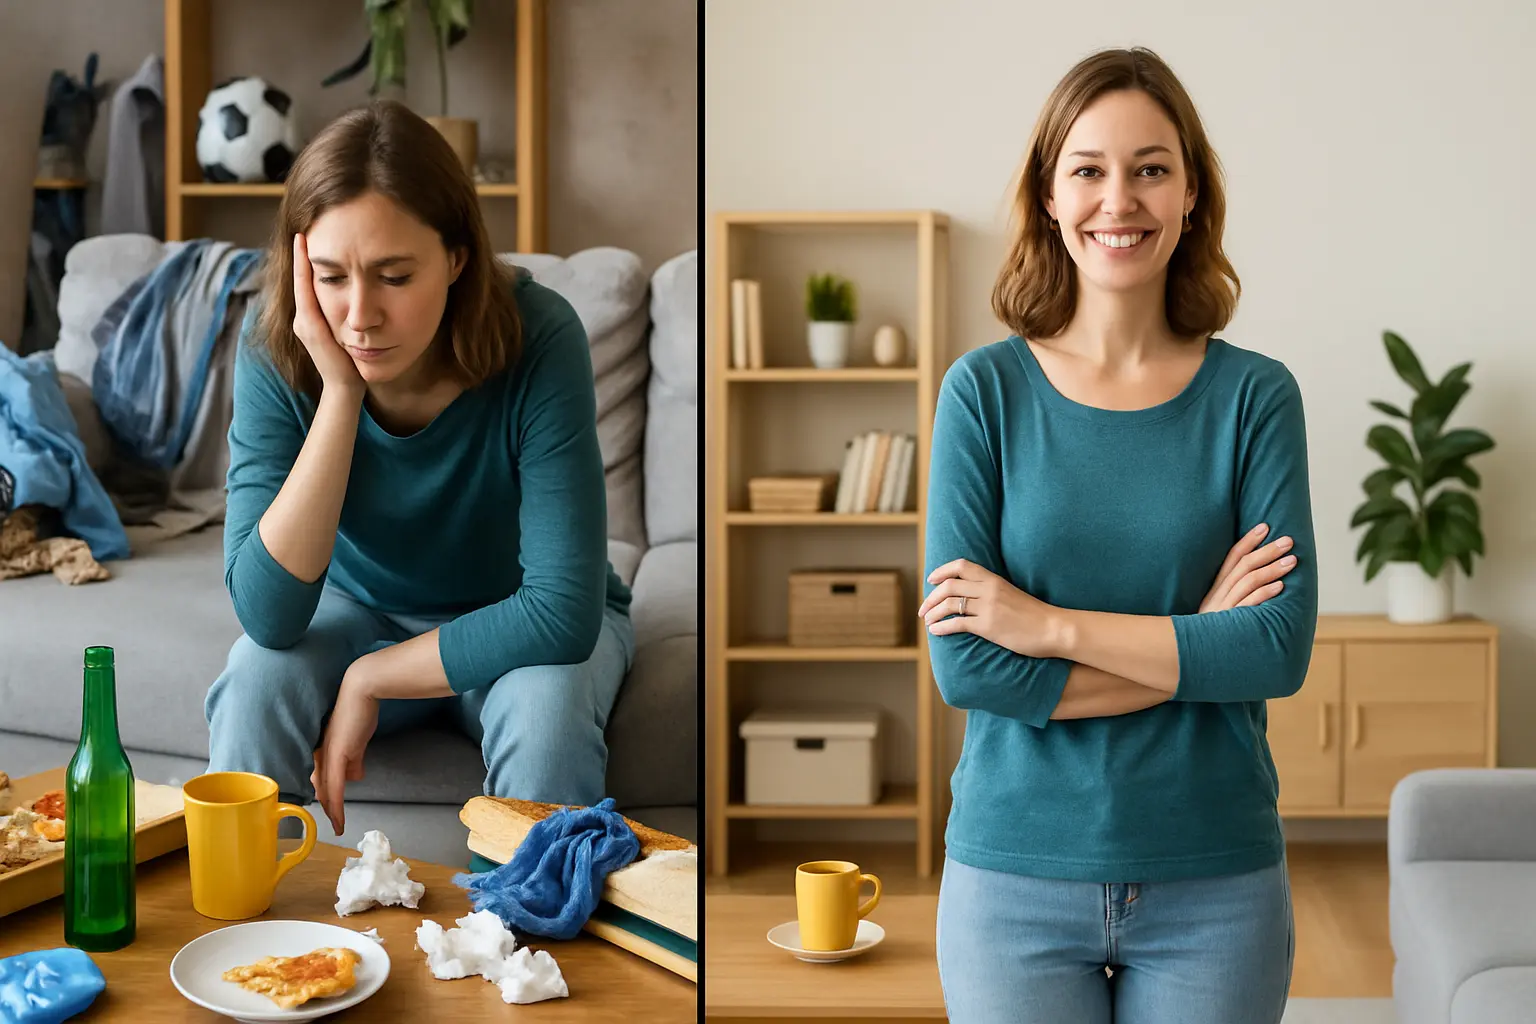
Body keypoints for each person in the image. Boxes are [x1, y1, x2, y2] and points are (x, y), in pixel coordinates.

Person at [918, 47, 1316, 1023]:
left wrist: (1046, 625)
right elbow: (966, 667)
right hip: (1012, 874)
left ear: (1190, 195)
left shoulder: (1255, 396)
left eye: (1150, 168)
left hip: (1215, 874)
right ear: (1049, 196)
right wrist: (1193, 636)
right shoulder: (984, 393)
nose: (1119, 199)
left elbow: (1274, 646)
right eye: (1088, 169)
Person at [204, 99, 632, 838]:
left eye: (394, 276)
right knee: (254, 678)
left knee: (549, 714)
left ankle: (524, 945)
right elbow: (269, 616)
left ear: (457, 259)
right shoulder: (276, 341)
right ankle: (262, 940)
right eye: (331, 277)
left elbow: (562, 613)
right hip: (361, 609)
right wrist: (341, 393)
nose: (360, 315)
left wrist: (374, 673)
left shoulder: (542, 337)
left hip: (520, 623)